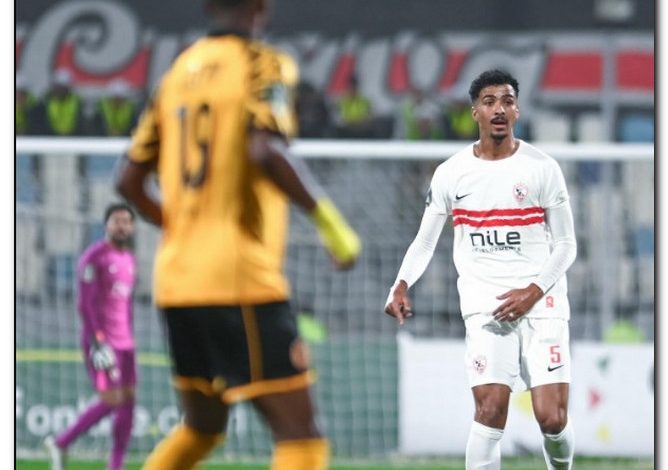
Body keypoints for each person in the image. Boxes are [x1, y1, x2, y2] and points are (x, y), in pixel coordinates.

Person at [115, 1, 361, 469]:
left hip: (177, 280)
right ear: (262, 7)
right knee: (302, 436)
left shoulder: (176, 74)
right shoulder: (262, 64)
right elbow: (264, 150)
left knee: (202, 427)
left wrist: (185, 226)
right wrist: (332, 226)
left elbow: (127, 181)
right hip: (238, 277)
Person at [384, 69, 576, 470]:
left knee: (552, 419)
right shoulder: (451, 172)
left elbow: (566, 245)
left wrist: (533, 292)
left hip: (542, 303)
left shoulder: (542, 168)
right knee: (489, 411)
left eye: (507, 101)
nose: (499, 109)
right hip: (485, 306)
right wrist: (401, 284)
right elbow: (425, 241)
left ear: (517, 110)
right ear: (475, 112)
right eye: (489, 102)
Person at [45, 203, 137, 470]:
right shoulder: (94, 257)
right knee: (111, 400)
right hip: (102, 342)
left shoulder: (129, 259)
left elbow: (126, 305)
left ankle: (115, 465)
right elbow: (85, 304)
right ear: (106, 225)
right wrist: (98, 341)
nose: (121, 226)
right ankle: (61, 442)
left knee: (128, 400)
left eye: (126, 221)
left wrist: (129, 336)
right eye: (116, 221)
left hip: (126, 343)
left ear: (132, 227)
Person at [32, 68, 85, 136]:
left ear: (68, 88)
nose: (59, 90)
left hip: (72, 138)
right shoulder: (44, 102)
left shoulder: (78, 102)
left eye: (62, 87)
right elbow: (38, 123)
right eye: (57, 86)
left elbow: (81, 124)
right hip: (50, 138)